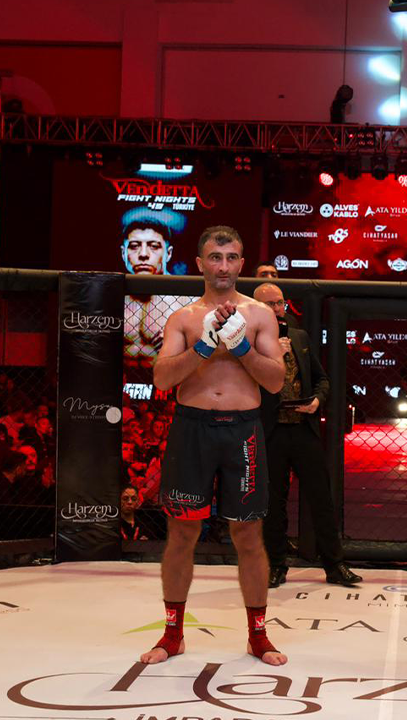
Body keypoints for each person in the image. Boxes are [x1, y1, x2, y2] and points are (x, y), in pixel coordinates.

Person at [139, 225, 288, 667]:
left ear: (241, 263)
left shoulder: (260, 315)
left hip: (243, 430)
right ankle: (173, 634)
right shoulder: (183, 318)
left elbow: (275, 382)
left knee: (249, 533)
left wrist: (241, 348)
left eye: (231, 257)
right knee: (182, 533)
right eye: (215, 257)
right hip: (193, 428)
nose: (223, 266)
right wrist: (204, 347)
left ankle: (258, 635)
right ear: (200, 263)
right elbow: (162, 378)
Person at [252, 282, 361, 588]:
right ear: (256, 309)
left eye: (280, 303)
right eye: (270, 304)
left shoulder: (299, 337)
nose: (277, 309)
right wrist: (273, 356)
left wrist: (316, 401)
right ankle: (276, 564)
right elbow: (248, 384)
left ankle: (334, 565)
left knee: (321, 498)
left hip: (303, 429)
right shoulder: (248, 343)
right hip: (271, 431)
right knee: (273, 503)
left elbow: (322, 379)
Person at [122, 210, 193, 373]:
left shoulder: (187, 301)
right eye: (134, 246)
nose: (143, 254)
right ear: (123, 253)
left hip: (171, 383)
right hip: (119, 384)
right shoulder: (109, 298)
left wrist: (183, 343)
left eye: (154, 247)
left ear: (168, 253)